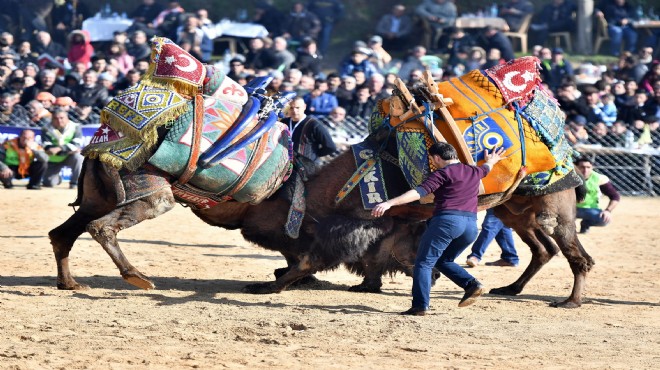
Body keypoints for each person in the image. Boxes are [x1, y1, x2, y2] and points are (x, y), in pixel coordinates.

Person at [372, 144, 506, 314]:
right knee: (443, 261)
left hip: (447, 222)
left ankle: (420, 306)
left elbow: (418, 192)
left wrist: (389, 203)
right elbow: (486, 169)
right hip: (471, 226)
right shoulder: (473, 171)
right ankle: (471, 284)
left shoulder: (442, 173)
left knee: (423, 263)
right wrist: (491, 161)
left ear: (436, 158)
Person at [281, 96, 336, 164]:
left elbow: (330, 147)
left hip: (306, 167)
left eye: (297, 107)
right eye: (291, 108)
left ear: (304, 107)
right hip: (284, 164)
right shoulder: (283, 123)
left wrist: (314, 155)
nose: (294, 111)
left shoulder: (314, 125)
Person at [575, 157, 621, 233]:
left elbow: (615, 196)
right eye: (582, 167)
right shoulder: (569, 177)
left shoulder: (599, 178)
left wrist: (608, 211)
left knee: (604, 220)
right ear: (576, 167)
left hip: (590, 209)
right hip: (571, 209)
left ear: (592, 167)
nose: (585, 170)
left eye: (588, 167)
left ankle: (585, 223)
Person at [41, 108, 84, 188]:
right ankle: (58, 179)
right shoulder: (46, 129)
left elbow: (76, 144)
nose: (59, 121)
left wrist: (58, 149)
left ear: (67, 118)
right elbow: (47, 147)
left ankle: (75, 183)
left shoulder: (75, 127)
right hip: (53, 159)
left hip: (69, 157)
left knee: (79, 157)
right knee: (48, 183)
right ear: (52, 119)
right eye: (55, 118)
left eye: (61, 118)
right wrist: (68, 149)